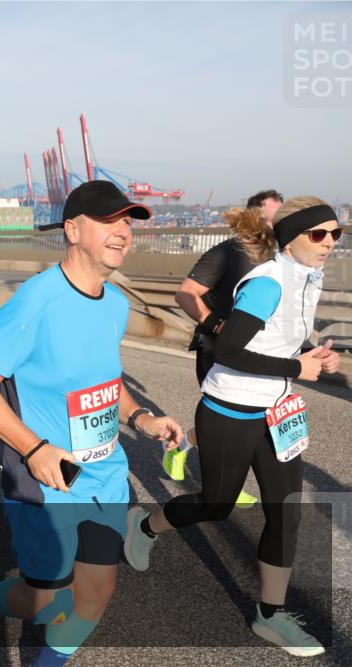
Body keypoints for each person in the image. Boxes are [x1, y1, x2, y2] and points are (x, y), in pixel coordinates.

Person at [0, 181, 183, 666]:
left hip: (106, 476)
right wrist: (35, 451)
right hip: (50, 483)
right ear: (73, 230)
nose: (123, 231)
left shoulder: (114, 303)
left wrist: (141, 417)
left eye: (128, 222)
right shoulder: (36, 302)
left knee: (95, 597)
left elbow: (104, 379)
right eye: (109, 221)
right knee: (48, 602)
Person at [124, 198, 341, 658]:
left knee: (286, 512)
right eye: (318, 234)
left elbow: (283, 334)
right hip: (230, 411)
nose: (330, 244)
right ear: (291, 237)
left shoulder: (308, 276)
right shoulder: (267, 283)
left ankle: (270, 616)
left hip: (275, 411)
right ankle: (144, 526)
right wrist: (294, 367)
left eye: (336, 234)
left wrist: (315, 352)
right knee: (216, 505)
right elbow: (228, 352)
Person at [164, 189, 285, 509]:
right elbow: (186, 294)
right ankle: (216, 482)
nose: (277, 224)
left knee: (247, 420)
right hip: (217, 350)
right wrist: (216, 325)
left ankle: (186, 448)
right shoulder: (227, 252)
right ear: (253, 217)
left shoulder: (276, 258)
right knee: (228, 423)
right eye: (273, 218)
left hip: (255, 353)